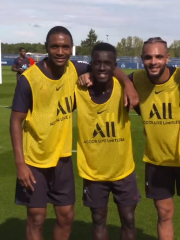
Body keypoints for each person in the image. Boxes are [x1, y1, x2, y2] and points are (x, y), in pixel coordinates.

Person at [79, 37, 180, 240]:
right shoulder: (137, 79)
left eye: (158, 56)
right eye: (148, 57)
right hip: (157, 162)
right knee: (164, 215)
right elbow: (112, 70)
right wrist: (125, 83)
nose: (153, 61)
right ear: (142, 59)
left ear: (167, 57)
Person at [10, 26, 138, 240]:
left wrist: (127, 84)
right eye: (55, 46)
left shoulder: (75, 68)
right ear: (46, 48)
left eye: (65, 47)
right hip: (35, 160)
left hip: (62, 158)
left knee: (67, 216)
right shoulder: (28, 80)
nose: (60, 51)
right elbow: (15, 121)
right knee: (36, 218)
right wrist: (20, 164)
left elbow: (106, 65)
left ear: (71, 49)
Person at [75, 42, 140, 240]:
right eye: (97, 63)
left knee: (128, 219)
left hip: (123, 170)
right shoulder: (78, 88)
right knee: (98, 219)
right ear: (90, 64)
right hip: (93, 172)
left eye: (107, 63)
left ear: (115, 65)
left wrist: (128, 83)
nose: (102, 67)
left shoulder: (124, 89)